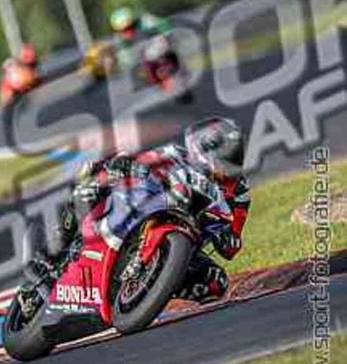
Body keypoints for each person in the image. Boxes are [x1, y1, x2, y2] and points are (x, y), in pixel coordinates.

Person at [30, 117, 251, 304]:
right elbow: (139, 159)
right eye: (228, 153)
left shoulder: (239, 190)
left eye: (235, 154)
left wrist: (229, 238)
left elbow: (232, 239)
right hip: (144, 207)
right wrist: (122, 164)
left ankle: (150, 291)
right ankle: (50, 253)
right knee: (91, 186)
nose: (232, 160)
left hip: (187, 239)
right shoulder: (176, 153)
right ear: (205, 146)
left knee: (215, 283)